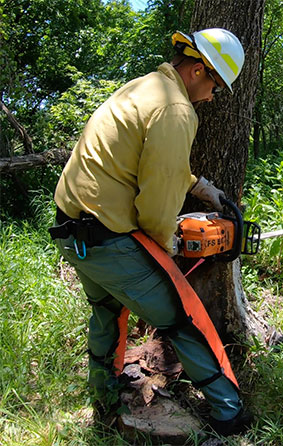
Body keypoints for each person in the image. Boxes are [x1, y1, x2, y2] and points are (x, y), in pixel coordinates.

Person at [49, 28, 252, 436]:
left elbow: (148, 161)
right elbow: (158, 204)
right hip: (110, 238)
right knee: (183, 318)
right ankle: (229, 414)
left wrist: (199, 186)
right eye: (214, 84)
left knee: (107, 312)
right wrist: (170, 244)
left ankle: (104, 397)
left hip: (74, 232)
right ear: (198, 70)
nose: (212, 96)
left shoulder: (145, 87)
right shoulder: (176, 110)